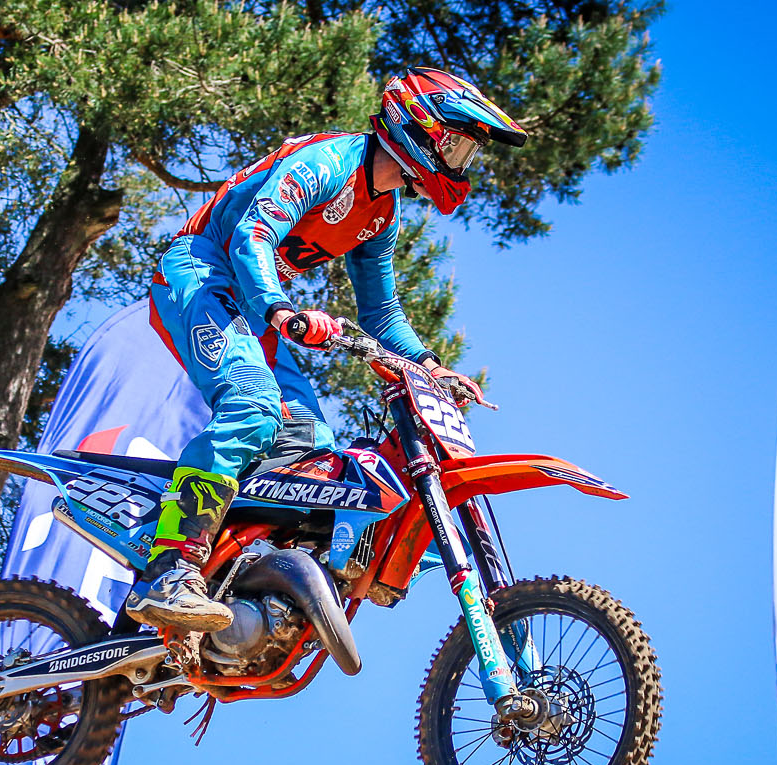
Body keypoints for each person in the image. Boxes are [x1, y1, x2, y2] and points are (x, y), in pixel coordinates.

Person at [127, 67, 529, 632]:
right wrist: (280, 310)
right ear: (421, 125)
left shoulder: (381, 215)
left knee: (311, 447)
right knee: (253, 410)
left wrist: (431, 368)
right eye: (459, 146)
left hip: (252, 307)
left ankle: (240, 575)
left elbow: (381, 313)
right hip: (200, 273)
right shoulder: (327, 162)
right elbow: (251, 235)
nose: (462, 164)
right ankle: (169, 567)